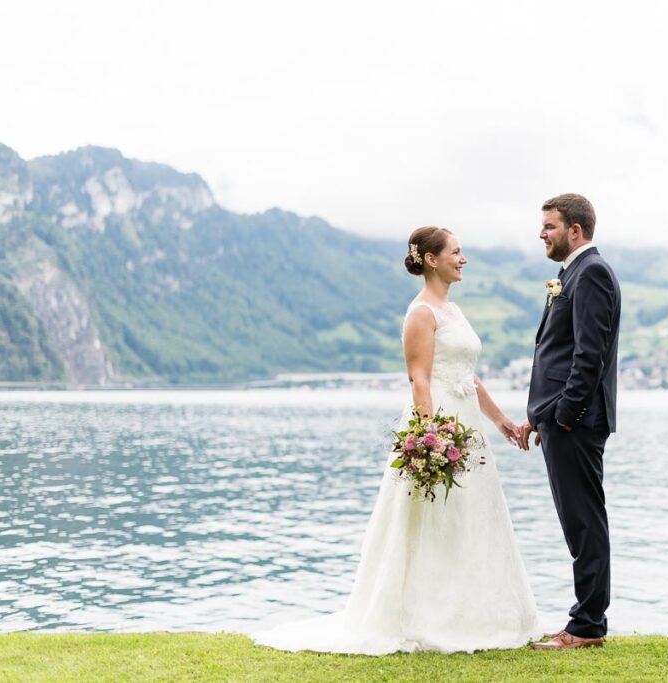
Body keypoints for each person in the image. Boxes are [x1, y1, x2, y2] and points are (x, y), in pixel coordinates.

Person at [252, 226, 541, 654]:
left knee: (471, 517)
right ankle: (423, 617)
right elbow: (419, 377)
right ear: (431, 259)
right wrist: (433, 436)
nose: (463, 260)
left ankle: (479, 614)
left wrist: (499, 421)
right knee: (432, 519)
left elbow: (467, 375)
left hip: (468, 424)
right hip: (441, 422)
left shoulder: (454, 310)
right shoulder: (421, 313)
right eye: (456, 253)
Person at [518, 193, 621, 650]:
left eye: (550, 226)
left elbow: (588, 356)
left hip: (575, 424)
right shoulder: (570, 274)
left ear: (574, 230)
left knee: (584, 522)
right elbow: (556, 353)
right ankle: (584, 621)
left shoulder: (592, 272)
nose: (542, 233)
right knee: (577, 521)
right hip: (562, 421)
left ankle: (586, 626)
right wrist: (539, 416)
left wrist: (562, 416)